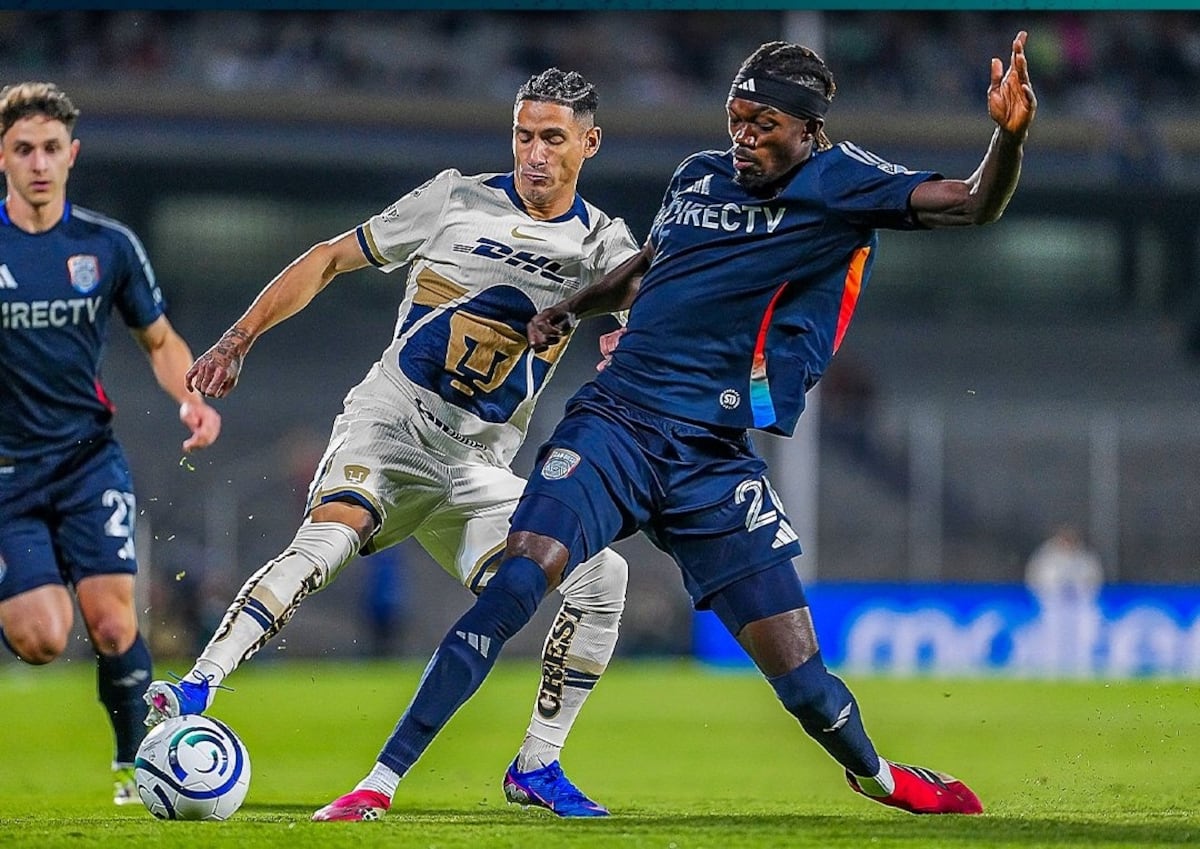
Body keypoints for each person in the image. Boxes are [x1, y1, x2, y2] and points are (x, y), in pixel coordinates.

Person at [330, 32, 1037, 817]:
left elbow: (975, 202)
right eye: (736, 118)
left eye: (763, 123)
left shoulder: (842, 185)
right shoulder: (696, 175)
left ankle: (879, 774)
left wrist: (1006, 137)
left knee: (805, 686)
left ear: (808, 130)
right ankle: (378, 782)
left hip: (713, 458)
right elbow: (651, 265)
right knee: (518, 579)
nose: (743, 137)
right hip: (617, 421)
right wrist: (575, 304)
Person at [143, 68, 640, 820]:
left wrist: (632, 337)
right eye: (524, 135)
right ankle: (197, 685)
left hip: (477, 465)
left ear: (590, 143)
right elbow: (329, 257)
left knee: (603, 575)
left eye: (553, 139)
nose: (534, 154)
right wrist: (239, 337)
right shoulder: (454, 198)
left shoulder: (603, 242)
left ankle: (538, 761)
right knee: (330, 540)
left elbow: (645, 307)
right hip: (392, 423)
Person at [0, 81, 222, 805]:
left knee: (114, 619)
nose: (39, 163)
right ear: (2, 156)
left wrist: (190, 396)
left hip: (88, 459)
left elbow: (157, 339)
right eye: (24, 149)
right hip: (7, 475)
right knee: (39, 638)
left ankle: (136, 768)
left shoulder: (107, 245)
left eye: (51, 148)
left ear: (73, 155)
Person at [1024, 524, 1104, 676]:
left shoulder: (1084, 558)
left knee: (1081, 638)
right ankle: (1052, 670)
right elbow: (1036, 579)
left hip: (1078, 606)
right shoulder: (1046, 557)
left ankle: (1082, 670)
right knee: (1054, 638)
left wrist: (1082, 593)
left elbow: (1094, 580)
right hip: (1054, 604)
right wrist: (1046, 596)